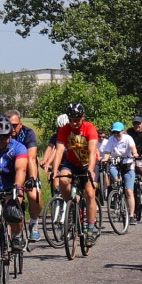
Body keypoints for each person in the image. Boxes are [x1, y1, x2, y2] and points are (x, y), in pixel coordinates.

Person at [53, 102, 100, 246]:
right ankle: (71, 206)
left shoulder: (90, 128)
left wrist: (91, 170)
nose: (74, 123)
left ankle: (90, 230)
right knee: (63, 180)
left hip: (88, 164)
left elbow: (92, 151)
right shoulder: (64, 130)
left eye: (77, 120)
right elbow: (60, 151)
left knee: (90, 193)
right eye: (71, 119)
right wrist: (55, 170)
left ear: (82, 117)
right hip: (72, 163)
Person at [0, 116, 29, 248]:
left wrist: (17, 186)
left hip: (11, 185)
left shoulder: (19, 148)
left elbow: (21, 169)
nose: (1, 140)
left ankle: (17, 235)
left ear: (10, 134)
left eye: (4, 137)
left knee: (12, 210)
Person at [5, 110, 43, 242]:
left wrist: (32, 179)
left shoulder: (28, 133)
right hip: (11, 171)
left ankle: (34, 222)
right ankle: (11, 231)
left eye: (15, 125)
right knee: (14, 199)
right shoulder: (2, 133)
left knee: (34, 196)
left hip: (28, 168)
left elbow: (32, 158)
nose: (12, 128)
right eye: (9, 125)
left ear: (20, 124)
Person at [100, 122, 139, 224]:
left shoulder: (128, 138)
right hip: (115, 164)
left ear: (123, 131)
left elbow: (133, 148)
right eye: (114, 132)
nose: (116, 134)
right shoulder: (111, 140)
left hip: (128, 164)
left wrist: (134, 153)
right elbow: (107, 152)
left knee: (129, 191)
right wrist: (105, 159)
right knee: (117, 180)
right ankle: (117, 195)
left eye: (118, 132)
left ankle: (131, 215)